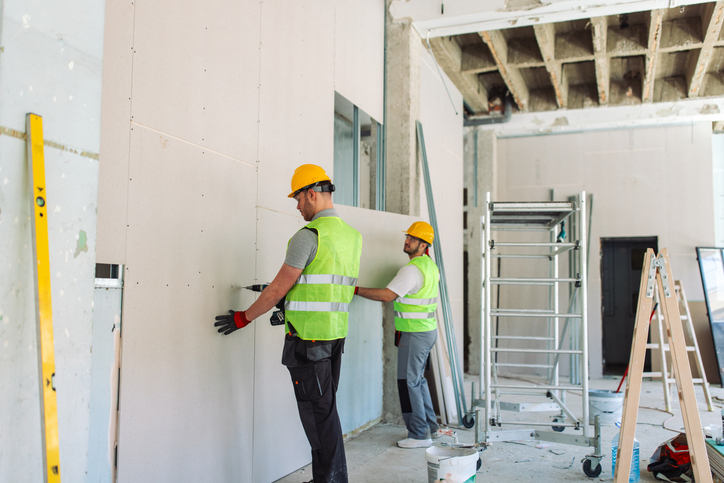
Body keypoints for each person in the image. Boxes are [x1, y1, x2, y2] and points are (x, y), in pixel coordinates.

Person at [214, 164, 362, 483]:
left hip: (307, 342)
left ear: (312, 194)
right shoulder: (352, 237)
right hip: (334, 338)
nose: (296, 206)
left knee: (318, 418)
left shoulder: (307, 237)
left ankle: (333, 480)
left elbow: (280, 287)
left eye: (297, 199)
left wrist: (243, 317)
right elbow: (325, 285)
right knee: (323, 414)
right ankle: (326, 476)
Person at [354, 221, 440, 449]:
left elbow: (386, 295)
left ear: (423, 245)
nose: (406, 241)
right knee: (418, 381)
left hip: (415, 334)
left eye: (412, 239)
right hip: (426, 331)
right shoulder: (430, 266)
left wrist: (354, 289)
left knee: (408, 383)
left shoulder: (412, 270)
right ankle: (430, 428)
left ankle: (419, 436)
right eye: (407, 237)